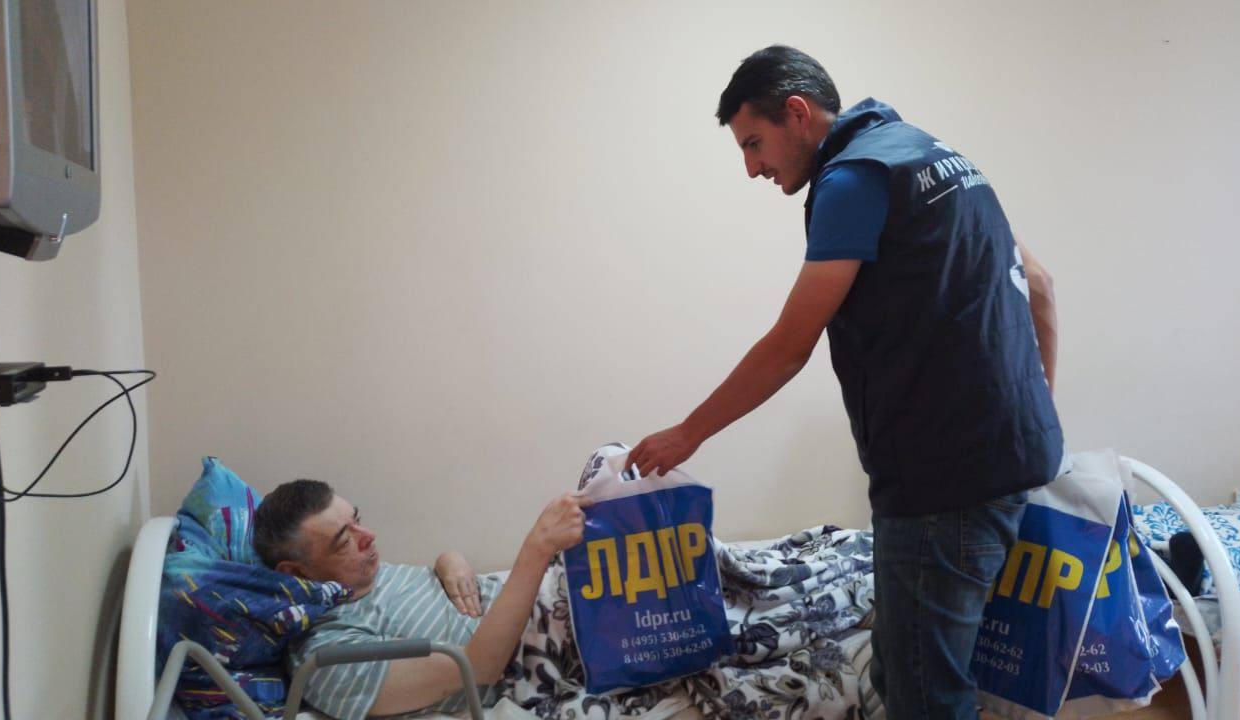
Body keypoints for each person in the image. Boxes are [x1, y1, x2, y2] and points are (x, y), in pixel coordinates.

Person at [625, 45, 1063, 718]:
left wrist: (689, 433)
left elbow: (789, 347)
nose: (751, 168)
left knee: (926, 696)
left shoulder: (854, 179)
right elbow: (1040, 284)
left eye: (753, 143)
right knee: (906, 662)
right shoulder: (932, 153)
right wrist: (1036, 416)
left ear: (797, 113)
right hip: (1013, 456)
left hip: (943, 481)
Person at [252, 479, 590, 718]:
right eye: (344, 541)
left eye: (357, 521)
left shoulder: (368, 575)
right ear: (295, 572)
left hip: (561, 597)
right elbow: (480, 667)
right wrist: (538, 546)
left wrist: (448, 560)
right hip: (558, 647)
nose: (368, 536)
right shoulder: (328, 659)